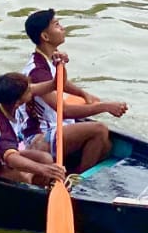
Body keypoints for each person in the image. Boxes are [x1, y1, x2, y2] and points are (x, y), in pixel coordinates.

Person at [19, 9, 128, 174]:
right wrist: (105, 107)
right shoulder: (37, 71)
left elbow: (59, 82)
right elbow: (65, 110)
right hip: (38, 139)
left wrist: (83, 94)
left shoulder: (49, 58)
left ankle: (76, 172)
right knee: (99, 130)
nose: (62, 28)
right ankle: (76, 182)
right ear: (45, 37)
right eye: (56, 25)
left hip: (56, 129)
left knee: (106, 145)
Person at [0, 72, 65, 186]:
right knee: (24, 178)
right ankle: (34, 192)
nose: (32, 90)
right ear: (17, 103)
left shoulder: (4, 99)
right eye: (29, 90)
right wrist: (44, 169)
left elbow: (55, 84)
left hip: (1, 155)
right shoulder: (2, 130)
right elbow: (12, 159)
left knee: (45, 158)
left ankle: (40, 187)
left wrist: (61, 65)